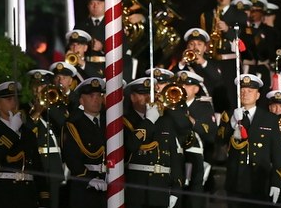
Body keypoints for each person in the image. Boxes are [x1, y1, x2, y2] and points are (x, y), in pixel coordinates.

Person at [0, 81, 49, 208]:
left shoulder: (27, 132)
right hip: (5, 194)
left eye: (16, 99)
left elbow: (38, 168)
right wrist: (11, 131)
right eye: (8, 99)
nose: (14, 103)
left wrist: (44, 199)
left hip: (28, 195)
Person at [216, 74, 281, 208]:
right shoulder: (229, 115)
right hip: (235, 179)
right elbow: (219, 140)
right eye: (242, 91)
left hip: (259, 179)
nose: (245, 94)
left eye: (250, 91)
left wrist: (277, 182)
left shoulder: (269, 119)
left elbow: (278, 153)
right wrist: (232, 122)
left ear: (257, 95)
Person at [121, 76, 191, 208]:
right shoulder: (125, 121)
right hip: (137, 187)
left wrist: (176, 188)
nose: (148, 98)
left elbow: (175, 154)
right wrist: (148, 121)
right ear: (132, 97)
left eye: (151, 93)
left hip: (161, 186)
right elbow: (131, 145)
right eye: (142, 94)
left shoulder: (165, 120)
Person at [197, 0, 248, 114]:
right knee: (213, 94)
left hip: (230, 62)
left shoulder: (239, 15)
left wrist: (227, 30)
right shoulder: (207, 15)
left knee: (231, 96)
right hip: (212, 60)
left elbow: (244, 40)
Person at [61, 77, 107, 208]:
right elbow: (71, 157)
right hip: (84, 186)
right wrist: (88, 178)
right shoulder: (74, 124)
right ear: (81, 100)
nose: (96, 99)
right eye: (91, 96)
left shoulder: (109, 122)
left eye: (99, 95)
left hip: (109, 182)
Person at [25, 69, 66, 207]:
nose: (39, 90)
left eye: (43, 86)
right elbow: (25, 131)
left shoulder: (55, 108)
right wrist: (36, 112)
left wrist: (49, 107)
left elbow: (63, 124)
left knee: (54, 203)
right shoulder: (24, 110)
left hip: (53, 165)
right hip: (36, 164)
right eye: (36, 86)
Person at [175, 70, 215, 208]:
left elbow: (210, 133)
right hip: (175, 153)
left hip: (194, 155)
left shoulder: (204, 106)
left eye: (187, 85)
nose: (183, 88)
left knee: (193, 196)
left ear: (196, 89)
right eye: (181, 85)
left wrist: (190, 120)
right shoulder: (173, 103)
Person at [241, 0, 279, 85]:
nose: (253, 13)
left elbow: (273, 50)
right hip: (247, 67)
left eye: (256, 10)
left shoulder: (270, 31)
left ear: (262, 12)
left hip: (264, 67)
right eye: (251, 10)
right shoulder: (242, 30)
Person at [74, 0, 106, 78]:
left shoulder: (113, 25)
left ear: (105, 5)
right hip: (85, 69)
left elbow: (124, 48)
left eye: (99, 3)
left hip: (107, 69)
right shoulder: (81, 25)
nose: (95, 6)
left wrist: (103, 47)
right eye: (92, 3)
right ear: (88, 6)